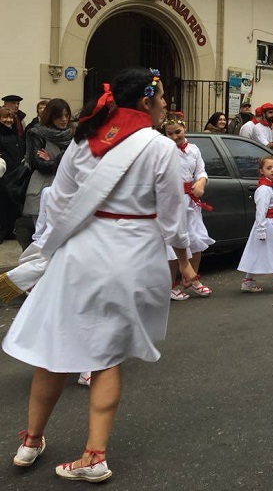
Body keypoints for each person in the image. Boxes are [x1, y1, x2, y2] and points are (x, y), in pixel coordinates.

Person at [1, 67, 196, 483]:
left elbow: (59, 200)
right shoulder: (161, 148)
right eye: (161, 98)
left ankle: (31, 440)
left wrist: (49, 245)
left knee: (56, 348)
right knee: (106, 356)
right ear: (145, 101)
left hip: (80, 254)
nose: (164, 105)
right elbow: (173, 218)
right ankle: (94, 455)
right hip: (132, 255)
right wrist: (183, 259)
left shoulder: (84, 138)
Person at [162, 116, 215, 301]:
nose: (175, 137)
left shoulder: (194, 149)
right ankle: (172, 285)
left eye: (178, 132)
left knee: (197, 240)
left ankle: (188, 278)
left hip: (191, 201)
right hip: (172, 201)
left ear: (184, 128)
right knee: (175, 243)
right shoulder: (164, 150)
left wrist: (201, 182)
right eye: (170, 134)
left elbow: (201, 170)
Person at [20, 98, 74, 249]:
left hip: (67, 186)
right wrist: (60, 161)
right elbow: (38, 163)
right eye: (59, 116)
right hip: (41, 186)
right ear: (51, 115)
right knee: (41, 238)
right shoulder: (37, 133)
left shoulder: (74, 133)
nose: (64, 119)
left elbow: (78, 163)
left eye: (66, 115)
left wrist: (53, 159)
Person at [237, 156, 273, 293]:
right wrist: (261, 229)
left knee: (258, 251)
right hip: (267, 224)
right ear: (261, 171)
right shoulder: (264, 189)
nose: (272, 170)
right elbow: (261, 211)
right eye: (268, 168)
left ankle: (248, 281)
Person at [0, 106, 27, 240]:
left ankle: (9, 230)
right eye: (5, 117)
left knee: (12, 205)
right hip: (3, 174)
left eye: (11, 117)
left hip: (16, 174)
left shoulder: (16, 134)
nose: (8, 120)